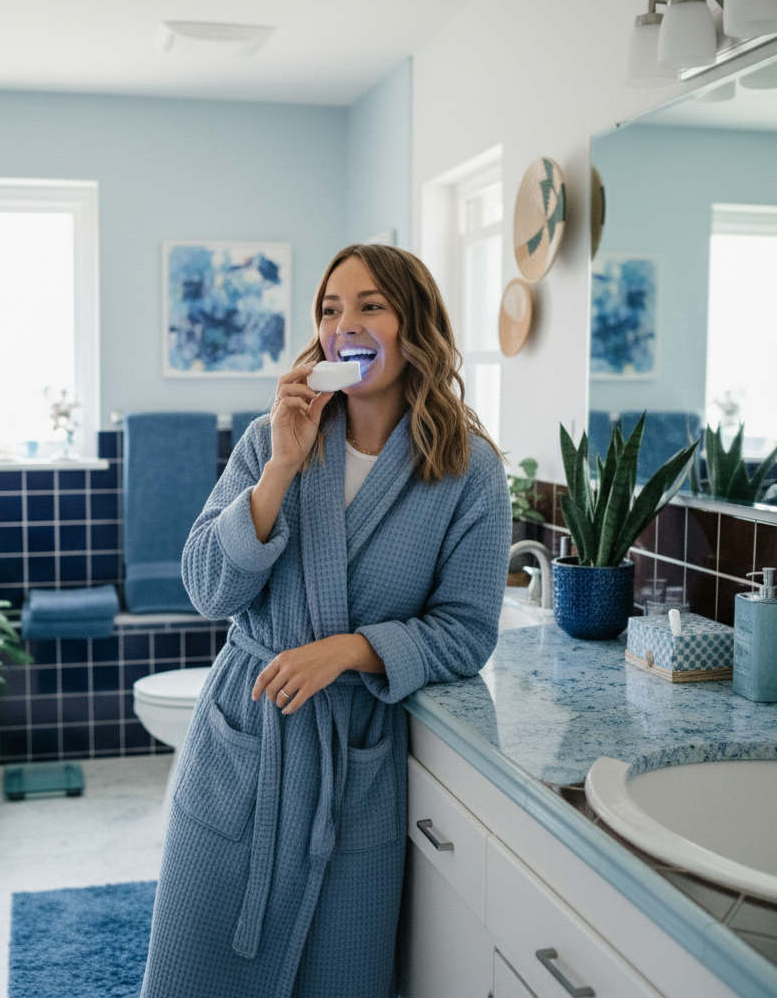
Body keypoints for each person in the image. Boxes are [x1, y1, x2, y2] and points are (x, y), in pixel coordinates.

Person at [139, 244, 511, 998]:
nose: (346, 325)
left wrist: (348, 652)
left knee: (338, 973)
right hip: (246, 742)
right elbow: (209, 589)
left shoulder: (468, 469)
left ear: (415, 325)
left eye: (371, 305)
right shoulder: (268, 439)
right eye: (330, 310)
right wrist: (279, 466)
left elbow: (467, 631)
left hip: (354, 761)